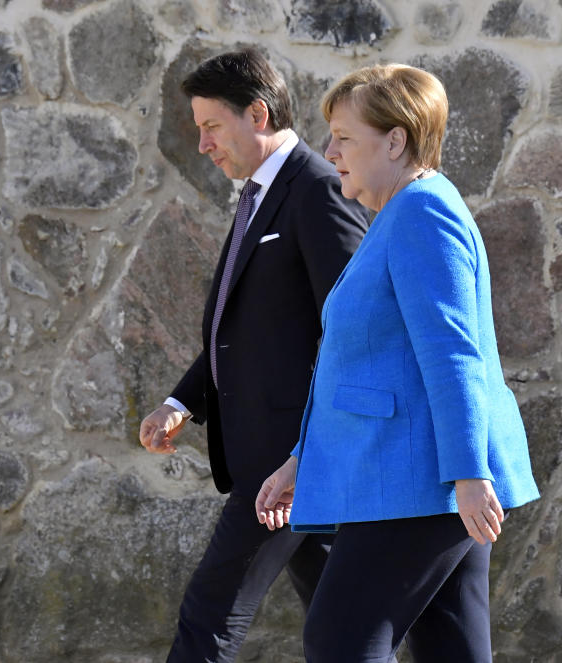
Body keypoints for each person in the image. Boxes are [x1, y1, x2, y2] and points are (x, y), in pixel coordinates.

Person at [254, 63, 540, 662]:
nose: (329, 150)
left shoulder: (420, 214)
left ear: (396, 140)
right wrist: (299, 460)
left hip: (418, 482)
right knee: (451, 650)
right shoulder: (405, 212)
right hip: (421, 479)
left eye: (344, 137)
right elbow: (374, 365)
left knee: (339, 640)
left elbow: (452, 353)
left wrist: (468, 474)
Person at [137, 48, 370, 662]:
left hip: (287, 464)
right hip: (279, 462)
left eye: (212, 126)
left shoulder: (317, 188)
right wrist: (180, 400)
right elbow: (240, 326)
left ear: (258, 114)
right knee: (342, 629)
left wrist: (306, 455)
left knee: (209, 614)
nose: (204, 144)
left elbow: (352, 330)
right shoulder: (259, 192)